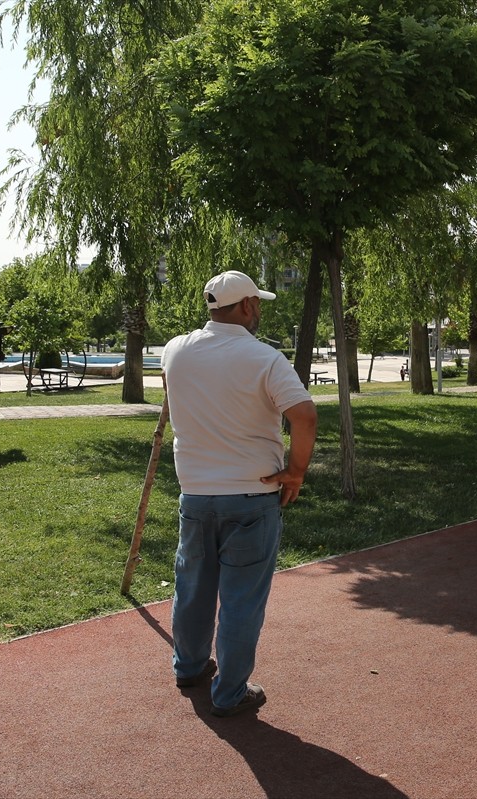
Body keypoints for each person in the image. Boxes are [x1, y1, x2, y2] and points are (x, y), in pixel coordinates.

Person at [162, 270, 318, 718]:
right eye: (258, 303)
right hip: (251, 496)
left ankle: (189, 666)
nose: (260, 310)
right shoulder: (263, 357)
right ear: (247, 306)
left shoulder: (175, 349)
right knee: (241, 599)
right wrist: (296, 472)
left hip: (195, 494)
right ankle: (229, 692)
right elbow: (304, 415)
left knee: (191, 587)